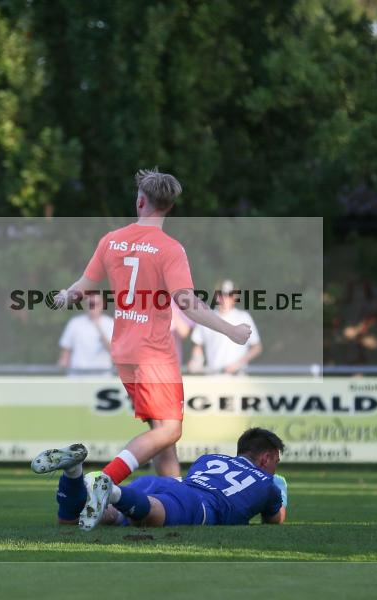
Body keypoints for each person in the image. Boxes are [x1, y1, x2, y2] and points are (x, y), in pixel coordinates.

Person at [49, 168, 252, 491]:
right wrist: (230, 330)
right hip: (155, 353)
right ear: (170, 207)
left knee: (160, 432)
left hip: (124, 352)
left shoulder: (111, 240)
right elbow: (186, 303)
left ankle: (176, 497)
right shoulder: (170, 249)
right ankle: (105, 480)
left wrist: (64, 295)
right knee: (171, 430)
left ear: (140, 201)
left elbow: (84, 286)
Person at [32, 428, 288, 531]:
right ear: (266, 458)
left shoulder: (209, 459)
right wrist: (281, 492)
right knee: (152, 516)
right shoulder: (268, 485)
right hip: (198, 505)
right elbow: (274, 520)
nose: (275, 469)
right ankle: (112, 492)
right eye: (276, 462)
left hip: (161, 484)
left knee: (69, 521)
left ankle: (73, 473)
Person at [189, 280, 263, 374]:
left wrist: (239, 364)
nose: (225, 298)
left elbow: (257, 347)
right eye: (222, 294)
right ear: (216, 296)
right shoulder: (206, 317)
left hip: (238, 378)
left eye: (230, 295)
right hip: (213, 378)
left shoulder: (244, 317)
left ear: (235, 297)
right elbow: (198, 345)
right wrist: (196, 361)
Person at [58, 293, 114, 376]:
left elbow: (113, 351)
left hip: (102, 377)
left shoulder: (110, 323)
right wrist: (58, 374)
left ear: (102, 305)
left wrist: (98, 327)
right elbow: (65, 354)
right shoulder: (75, 323)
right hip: (77, 377)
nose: (92, 307)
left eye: (96, 304)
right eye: (90, 304)